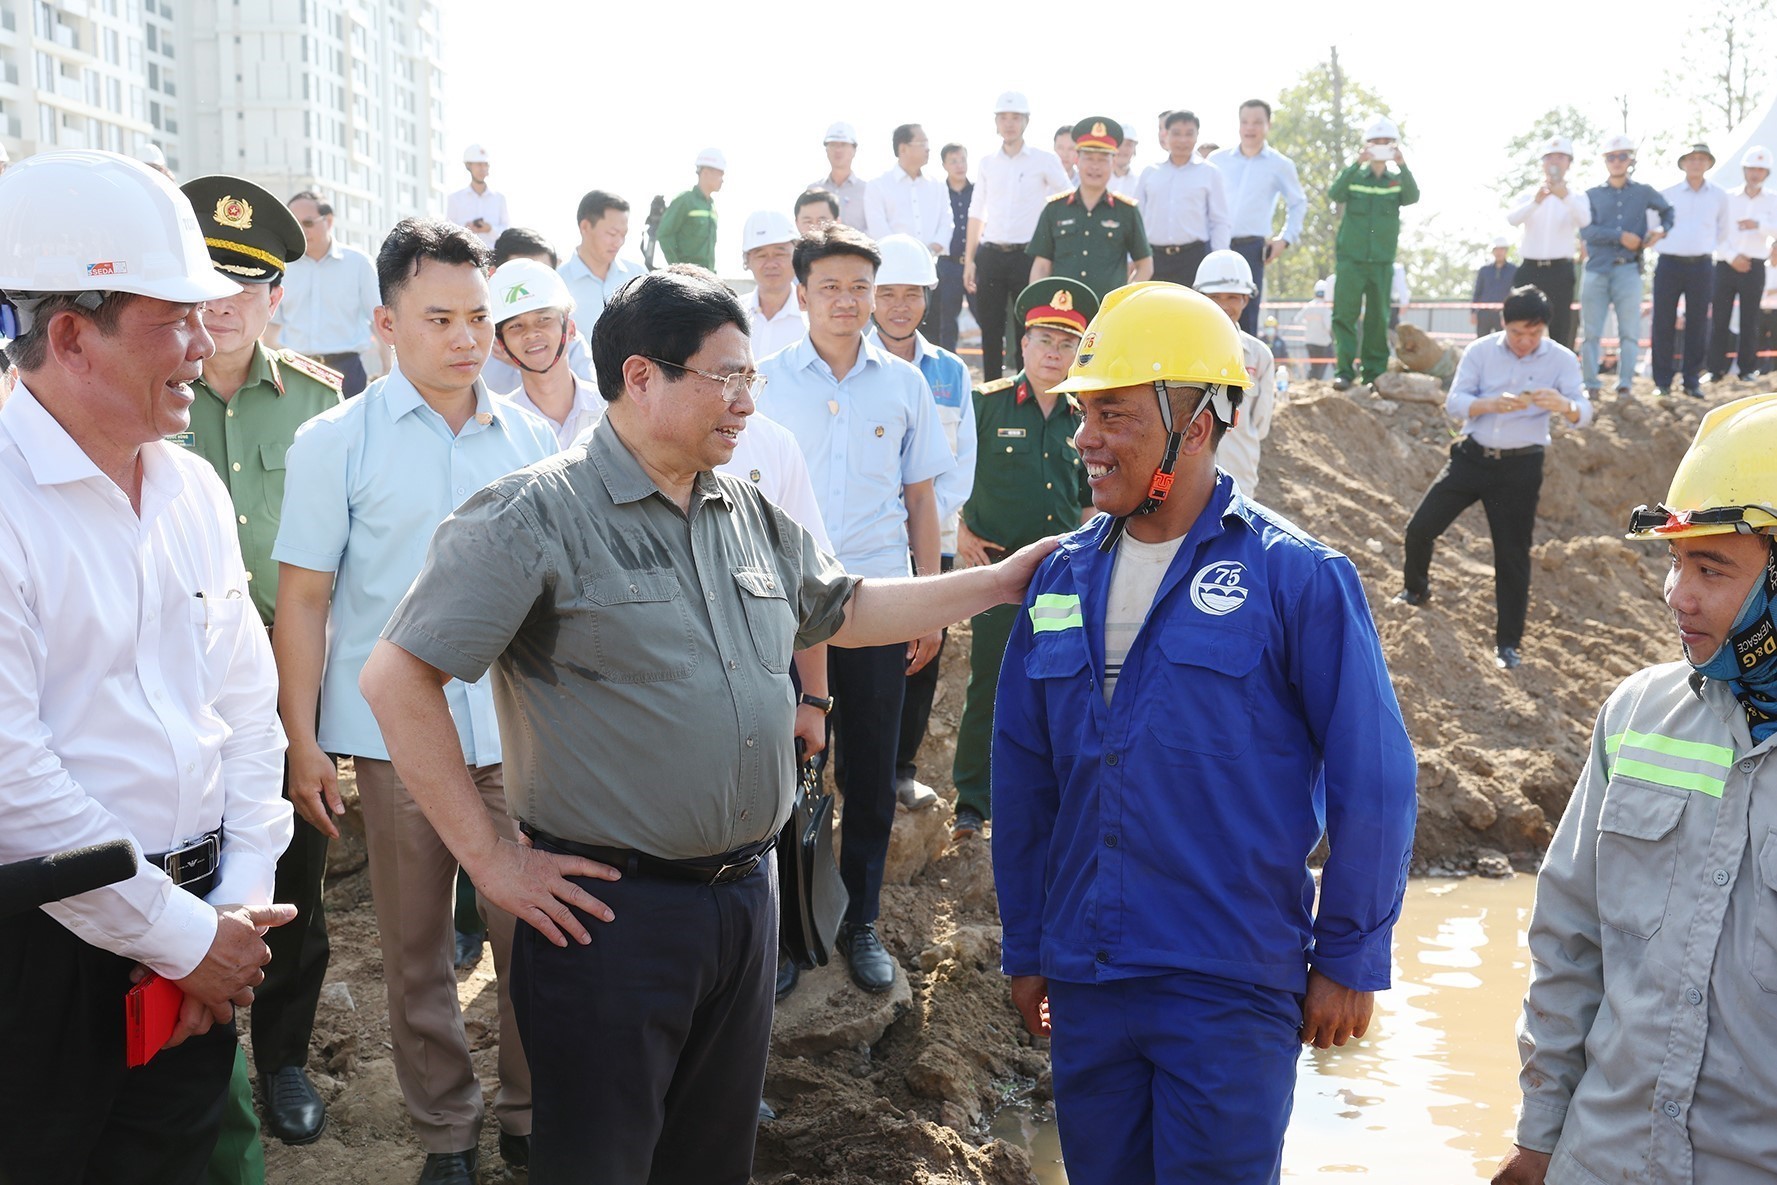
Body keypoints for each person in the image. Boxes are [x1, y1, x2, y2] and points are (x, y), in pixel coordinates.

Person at [356, 266, 1057, 1185]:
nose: (745, 402)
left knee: (711, 1161)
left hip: (742, 904)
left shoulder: (741, 511)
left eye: (750, 379)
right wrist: (492, 859)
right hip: (609, 915)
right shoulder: (535, 514)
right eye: (726, 377)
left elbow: (842, 607)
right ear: (642, 376)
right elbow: (396, 675)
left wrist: (998, 583)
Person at [993, 281, 1417, 1184]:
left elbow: (1372, 777)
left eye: (1111, 413)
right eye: (1082, 412)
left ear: (1192, 423)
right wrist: (1029, 948)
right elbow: (1022, 779)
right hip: (1087, 975)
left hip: (1227, 983)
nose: (1085, 438)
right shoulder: (1059, 579)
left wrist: (1347, 953)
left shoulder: (1297, 577)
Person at [0, 149, 296, 1185]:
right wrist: (181, 938)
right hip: (43, 965)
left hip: (205, 936)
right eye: (171, 317)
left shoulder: (193, 492)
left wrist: (234, 918)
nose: (202, 339)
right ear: (72, 334)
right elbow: (13, 782)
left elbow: (247, 714)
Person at [272, 219, 557, 1185]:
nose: (466, 337)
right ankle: (446, 1133)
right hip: (395, 745)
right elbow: (306, 599)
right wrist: (303, 738)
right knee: (417, 950)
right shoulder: (334, 441)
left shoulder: (533, 439)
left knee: (536, 939)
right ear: (386, 321)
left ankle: (528, 1112)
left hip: (518, 738)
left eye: (479, 316)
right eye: (439, 317)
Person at [1491, 393, 1777, 1185]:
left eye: (1710, 567)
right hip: (1601, 1162)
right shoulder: (1636, 715)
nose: (1676, 594)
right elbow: (1568, 941)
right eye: (1675, 563)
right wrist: (1538, 1137)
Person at [172, 175, 343, 1159]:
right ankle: (192, 1060)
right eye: (206, 279)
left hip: (288, 689)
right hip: (169, 685)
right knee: (176, 874)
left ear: (278, 297)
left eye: (250, 284)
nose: (226, 303)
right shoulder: (141, 395)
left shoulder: (320, 405)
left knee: (293, 884)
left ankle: (282, 1058)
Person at [757, 224, 954, 993]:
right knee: (780, 766)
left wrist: (928, 606)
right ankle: (782, 929)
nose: (847, 301)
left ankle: (860, 920)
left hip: (873, 604)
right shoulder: (766, 381)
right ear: (801, 292)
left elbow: (920, 499)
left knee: (869, 773)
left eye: (859, 288)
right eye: (831, 286)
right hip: (779, 603)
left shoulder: (903, 385)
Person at [950, 278, 1098, 840]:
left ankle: (1048, 799)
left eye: (1065, 344)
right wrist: (957, 527)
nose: (1052, 353)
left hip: (1057, 579)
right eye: (1043, 340)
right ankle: (972, 802)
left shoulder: (1085, 417)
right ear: (1023, 343)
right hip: (995, 577)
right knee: (988, 683)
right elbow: (943, 472)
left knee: (1058, 684)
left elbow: (1088, 501)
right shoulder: (983, 404)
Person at [1395, 286, 1591, 670]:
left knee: (1512, 556)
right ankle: (1415, 589)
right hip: (1472, 457)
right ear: (1505, 324)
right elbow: (1454, 404)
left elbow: (1584, 411)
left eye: (1534, 334)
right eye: (1519, 333)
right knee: (1420, 527)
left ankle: (1508, 644)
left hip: (1520, 468)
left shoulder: (1562, 359)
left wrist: (1563, 405)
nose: (1526, 342)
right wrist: (1490, 404)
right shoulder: (1481, 351)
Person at [870, 235, 977, 811]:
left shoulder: (951, 371)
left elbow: (960, 463)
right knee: (855, 655)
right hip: (872, 539)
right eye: (888, 293)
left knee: (921, 655)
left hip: (931, 536)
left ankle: (902, 768)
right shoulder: (856, 364)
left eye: (912, 294)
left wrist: (929, 526)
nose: (899, 305)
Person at [965, 91, 1073, 381]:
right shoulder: (987, 162)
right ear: (996, 122)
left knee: (1029, 325)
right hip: (990, 253)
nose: (1009, 124)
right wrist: (970, 260)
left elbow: (1067, 201)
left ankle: (1027, 388)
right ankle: (989, 391)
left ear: (1026, 121)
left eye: (1015, 118)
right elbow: (977, 211)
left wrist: (1054, 249)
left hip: (1028, 256)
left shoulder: (1043, 160)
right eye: (1003, 118)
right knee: (991, 327)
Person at [1328, 116, 1419, 391]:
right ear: (1367, 145)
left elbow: (1413, 196)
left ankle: (1374, 373)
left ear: (1394, 146)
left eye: (1386, 143)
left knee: (1378, 318)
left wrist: (1402, 165)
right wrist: (1357, 162)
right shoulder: (1355, 176)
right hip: (1351, 260)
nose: (1380, 147)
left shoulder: (1396, 181)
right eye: (1375, 142)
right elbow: (1336, 192)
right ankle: (1344, 371)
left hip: (1381, 261)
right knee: (1344, 316)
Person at [1579, 134, 1673, 397]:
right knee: (1591, 332)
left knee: (1629, 331)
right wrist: (1620, 236)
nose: (1617, 161)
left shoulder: (1643, 192)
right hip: (1596, 268)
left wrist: (1660, 231)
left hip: (1628, 269)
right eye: (1612, 157)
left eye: (1622, 156)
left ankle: (1625, 384)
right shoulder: (1591, 195)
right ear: (1605, 161)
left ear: (1630, 160)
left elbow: (1669, 211)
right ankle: (1591, 384)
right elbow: (1586, 231)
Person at [270, 190, 386, 397]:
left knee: (351, 430)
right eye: (294, 224)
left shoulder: (358, 264)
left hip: (346, 371)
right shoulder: (282, 266)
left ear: (329, 221)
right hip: (295, 370)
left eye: (308, 223)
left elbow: (380, 321)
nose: (301, 231)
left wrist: (388, 369)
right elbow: (271, 326)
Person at [1209, 99, 1309, 333]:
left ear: (1268, 125)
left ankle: (1245, 368)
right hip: (1212, 245)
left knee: (1246, 316)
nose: (1250, 128)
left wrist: (1285, 239)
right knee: (1207, 311)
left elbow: (1298, 202)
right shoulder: (1216, 160)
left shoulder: (1280, 164)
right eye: (1245, 122)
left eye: (1257, 122)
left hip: (1251, 250)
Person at [1029, 117, 1153, 303]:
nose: (1095, 166)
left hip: (1107, 315)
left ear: (1113, 162)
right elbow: (1041, 266)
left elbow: (1145, 266)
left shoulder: (1126, 211)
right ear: (1077, 160)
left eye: (1103, 159)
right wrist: (1038, 303)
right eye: (1089, 158)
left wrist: (1123, 302)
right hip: (1063, 314)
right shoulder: (1055, 209)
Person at [489, 258, 604, 448]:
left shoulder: (612, 409)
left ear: (571, 329)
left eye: (544, 319)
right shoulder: (499, 427)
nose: (531, 333)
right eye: (516, 326)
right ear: (501, 345)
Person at [1193, 249, 1277, 498]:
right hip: (1186, 484)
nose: (1223, 305)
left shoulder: (1259, 356)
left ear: (1246, 300)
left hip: (1240, 482)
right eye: (1215, 296)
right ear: (1200, 297)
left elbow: (1260, 427)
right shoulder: (1181, 350)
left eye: (1232, 297)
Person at [1651, 143, 1732, 397]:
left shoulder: (1719, 196)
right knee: (1663, 320)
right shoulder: (1666, 194)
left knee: (1698, 322)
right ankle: (1662, 381)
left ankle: (1691, 380)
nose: (1696, 163)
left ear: (1708, 163)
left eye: (1701, 158)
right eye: (1691, 158)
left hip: (1701, 266)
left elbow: (1724, 230)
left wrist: (1703, 247)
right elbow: (1653, 227)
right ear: (1683, 163)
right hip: (1669, 264)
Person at [482, 229, 595, 397]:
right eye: (521, 276)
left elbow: (591, 398)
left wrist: (528, 363)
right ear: (492, 274)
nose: (533, 285)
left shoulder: (570, 341)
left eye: (543, 274)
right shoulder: (476, 345)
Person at [1507, 134, 1589, 350]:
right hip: (1529, 268)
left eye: (1561, 157)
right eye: (1549, 157)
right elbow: (1513, 219)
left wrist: (1565, 197)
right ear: (1543, 163)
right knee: (1522, 321)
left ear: (1569, 163)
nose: (1554, 162)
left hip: (1560, 270)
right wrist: (1535, 202)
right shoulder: (1529, 195)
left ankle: (1560, 377)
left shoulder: (1577, 195)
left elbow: (1585, 220)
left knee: (1561, 326)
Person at [1134, 109, 1230, 287]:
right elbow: (1137, 218)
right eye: (1176, 134)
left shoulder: (1210, 173)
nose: (1183, 140)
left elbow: (1220, 221)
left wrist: (1218, 259)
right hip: (1154, 259)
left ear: (1197, 136)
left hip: (1194, 257)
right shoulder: (1150, 173)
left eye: (1189, 134)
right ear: (1165, 135)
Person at [1708, 145, 1777, 381]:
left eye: (1760, 169)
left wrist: (1758, 224)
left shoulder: (1773, 200)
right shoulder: (1727, 198)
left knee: (1751, 320)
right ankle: (1715, 370)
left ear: (1767, 173)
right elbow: (1716, 232)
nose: (1755, 174)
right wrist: (1731, 257)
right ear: (1744, 171)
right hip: (1726, 264)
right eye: (1751, 169)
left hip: (1755, 266)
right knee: (1719, 319)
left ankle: (1747, 370)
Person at [558, 189, 644, 332]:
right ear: (585, 227)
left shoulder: (638, 276)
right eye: (612, 233)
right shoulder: (559, 282)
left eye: (624, 234)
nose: (619, 242)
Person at [865, 124, 952, 257]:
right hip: (892, 267)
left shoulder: (938, 186)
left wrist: (928, 252)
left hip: (931, 267)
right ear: (903, 148)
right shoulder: (878, 186)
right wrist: (905, 255)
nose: (928, 149)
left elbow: (946, 223)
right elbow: (878, 228)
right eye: (922, 143)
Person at [738, 209, 807, 358]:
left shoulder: (814, 318)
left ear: (796, 257)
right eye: (761, 255)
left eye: (780, 254)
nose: (771, 264)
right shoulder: (732, 315)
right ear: (747, 261)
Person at [933, 142, 978, 351]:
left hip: (974, 265)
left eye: (963, 160)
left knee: (985, 316)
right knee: (946, 320)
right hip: (947, 265)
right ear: (944, 165)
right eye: (953, 161)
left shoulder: (978, 191)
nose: (960, 165)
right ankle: (946, 365)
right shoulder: (938, 193)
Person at [657, 149, 725, 271]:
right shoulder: (685, 201)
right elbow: (664, 234)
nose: (722, 179)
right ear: (705, 173)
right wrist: (678, 269)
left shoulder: (711, 205)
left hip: (708, 276)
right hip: (688, 278)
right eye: (720, 174)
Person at [445, 144, 509, 248]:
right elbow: (448, 231)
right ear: (468, 166)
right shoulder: (455, 199)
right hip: (465, 256)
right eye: (479, 164)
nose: (483, 168)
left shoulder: (499, 198)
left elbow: (507, 231)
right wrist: (466, 229)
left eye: (485, 164)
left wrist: (490, 229)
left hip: (494, 256)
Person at [810, 121, 868, 228]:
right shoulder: (813, 190)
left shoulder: (868, 191)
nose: (838, 150)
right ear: (826, 149)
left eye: (843, 145)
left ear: (854, 150)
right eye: (833, 145)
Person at [1474, 236, 1517, 337]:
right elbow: (1478, 291)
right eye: (1496, 249)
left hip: (1504, 314)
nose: (1499, 252)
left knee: (1503, 342)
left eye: (1501, 249)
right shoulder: (1484, 270)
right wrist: (1473, 312)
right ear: (1492, 252)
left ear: (1506, 251)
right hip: (1484, 313)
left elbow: (1517, 292)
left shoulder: (1514, 270)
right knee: (1481, 342)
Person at [1298, 277, 1334, 380]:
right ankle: (1314, 382)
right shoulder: (1326, 307)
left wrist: (1309, 325)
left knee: (1314, 365)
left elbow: (1298, 319)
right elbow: (1328, 326)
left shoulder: (1309, 306)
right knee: (1320, 366)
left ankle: (1312, 381)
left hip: (1309, 341)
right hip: (1322, 342)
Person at [1109, 121, 1140, 199]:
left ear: (1134, 149)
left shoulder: (1140, 182)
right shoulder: (1099, 179)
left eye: (1128, 145)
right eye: (1119, 144)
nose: (1122, 149)